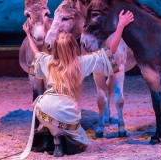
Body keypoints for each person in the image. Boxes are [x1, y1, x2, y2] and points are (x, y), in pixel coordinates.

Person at [15, 10, 134, 159]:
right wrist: (121, 26)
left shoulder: (48, 62)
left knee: (51, 117)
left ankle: (52, 134)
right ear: (74, 47)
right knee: (81, 141)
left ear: (56, 49)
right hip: (66, 114)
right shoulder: (81, 63)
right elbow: (110, 51)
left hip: (43, 110)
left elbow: (36, 52)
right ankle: (60, 138)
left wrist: (27, 34)